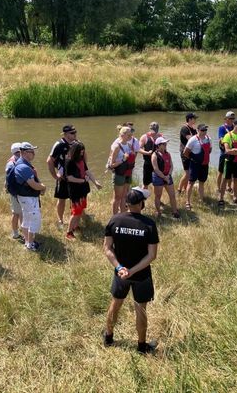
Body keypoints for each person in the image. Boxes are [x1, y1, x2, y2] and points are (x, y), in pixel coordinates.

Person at [103, 187, 159, 354]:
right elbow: (152, 255)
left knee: (116, 303)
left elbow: (107, 248)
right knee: (140, 309)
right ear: (141, 204)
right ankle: (142, 346)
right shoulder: (149, 224)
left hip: (121, 274)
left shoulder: (115, 220)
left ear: (126, 204)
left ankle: (108, 337)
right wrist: (133, 270)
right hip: (141, 275)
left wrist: (120, 268)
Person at [64, 142, 102, 240]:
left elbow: (87, 171)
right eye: (80, 152)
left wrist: (95, 182)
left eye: (83, 152)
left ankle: (75, 227)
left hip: (83, 189)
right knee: (75, 212)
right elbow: (69, 178)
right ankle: (69, 232)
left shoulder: (81, 159)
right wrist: (83, 180)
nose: (82, 154)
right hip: (75, 191)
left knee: (80, 210)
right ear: (75, 152)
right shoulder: (69, 161)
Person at [15, 142, 46, 252]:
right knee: (34, 220)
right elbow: (33, 184)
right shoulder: (23, 167)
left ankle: (28, 242)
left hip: (24, 197)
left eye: (33, 151)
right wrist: (43, 187)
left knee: (27, 219)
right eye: (31, 151)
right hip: (28, 198)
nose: (33, 153)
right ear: (23, 152)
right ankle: (30, 245)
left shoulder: (21, 163)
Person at [47, 125, 80, 229]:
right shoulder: (59, 145)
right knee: (62, 199)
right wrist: (54, 175)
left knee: (75, 199)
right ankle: (60, 220)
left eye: (75, 132)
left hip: (75, 176)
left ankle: (74, 220)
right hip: (63, 177)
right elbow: (49, 160)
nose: (75, 134)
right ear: (65, 134)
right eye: (72, 133)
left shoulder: (77, 143)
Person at [109, 126, 139, 215]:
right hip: (119, 174)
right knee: (117, 197)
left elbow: (132, 158)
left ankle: (123, 215)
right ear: (122, 135)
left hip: (128, 173)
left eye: (131, 134)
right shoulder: (117, 147)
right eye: (129, 134)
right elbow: (111, 165)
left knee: (124, 196)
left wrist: (132, 154)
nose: (131, 136)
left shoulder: (129, 145)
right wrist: (123, 159)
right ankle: (114, 217)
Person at [219, 118, 237, 206]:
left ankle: (235, 197)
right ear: (234, 125)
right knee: (225, 179)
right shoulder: (227, 136)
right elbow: (227, 150)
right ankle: (221, 198)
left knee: (236, 180)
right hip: (229, 162)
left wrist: (234, 149)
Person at [183, 123, 212, 210]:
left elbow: (210, 150)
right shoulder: (193, 140)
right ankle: (187, 202)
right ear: (198, 130)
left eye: (205, 130)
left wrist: (204, 158)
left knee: (202, 182)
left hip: (204, 164)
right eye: (202, 130)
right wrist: (193, 159)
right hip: (195, 164)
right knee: (191, 182)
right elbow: (185, 152)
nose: (204, 132)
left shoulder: (208, 139)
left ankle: (201, 199)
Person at [151, 137, 180, 218]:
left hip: (168, 176)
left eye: (166, 143)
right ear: (158, 145)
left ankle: (175, 211)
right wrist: (164, 177)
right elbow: (156, 169)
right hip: (158, 177)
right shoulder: (154, 155)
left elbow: (171, 166)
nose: (165, 145)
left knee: (172, 195)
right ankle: (158, 212)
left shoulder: (168, 154)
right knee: (158, 196)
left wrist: (168, 175)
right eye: (164, 144)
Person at [5, 142, 23, 241]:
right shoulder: (11, 163)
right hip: (16, 192)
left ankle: (22, 230)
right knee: (16, 212)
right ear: (18, 152)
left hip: (19, 192)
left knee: (21, 212)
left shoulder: (18, 160)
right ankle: (15, 234)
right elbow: (9, 179)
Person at [177, 113, 198, 194]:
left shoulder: (193, 129)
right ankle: (179, 190)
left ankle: (185, 189)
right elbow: (191, 140)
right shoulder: (184, 129)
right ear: (189, 119)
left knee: (189, 172)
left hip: (191, 153)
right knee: (187, 173)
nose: (195, 120)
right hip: (185, 153)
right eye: (194, 118)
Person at [139, 122, 163, 190]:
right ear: (150, 129)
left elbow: (165, 149)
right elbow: (138, 149)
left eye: (155, 130)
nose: (154, 132)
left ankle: (157, 200)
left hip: (159, 163)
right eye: (153, 130)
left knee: (158, 183)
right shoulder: (144, 137)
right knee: (145, 183)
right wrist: (146, 153)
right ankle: (142, 199)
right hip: (148, 163)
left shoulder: (161, 137)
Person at [217, 111, 235, 193]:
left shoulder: (235, 127)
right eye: (230, 118)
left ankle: (229, 187)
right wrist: (229, 140)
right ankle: (218, 188)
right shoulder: (222, 128)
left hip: (232, 152)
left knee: (230, 171)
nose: (232, 120)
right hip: (224, 153)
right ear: (226, 119)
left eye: (233, 118)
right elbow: (221, 140)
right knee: (221, 171)